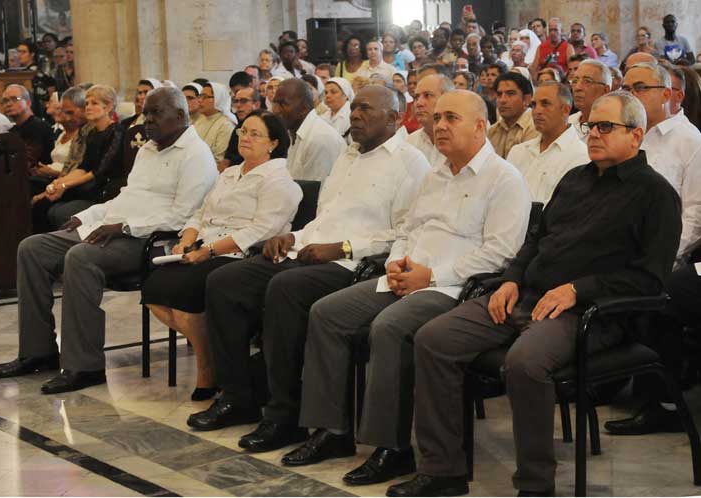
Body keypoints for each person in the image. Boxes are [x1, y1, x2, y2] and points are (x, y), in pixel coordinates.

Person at [389, 91, 682, 497]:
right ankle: (443, 472)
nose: (592, 134)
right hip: (526, 296)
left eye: (605, 127)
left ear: (636, 134)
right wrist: (511, 277)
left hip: (592, 313)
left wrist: (579, 289)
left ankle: (535, 486)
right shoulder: (576, 179)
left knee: (524, 362)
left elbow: (651, 279)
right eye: (589, 125)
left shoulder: (656, 195)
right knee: (434, 339)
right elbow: (535, 241)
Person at [292, 88, 530, 481]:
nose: (439, 126)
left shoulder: (504, 179)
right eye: (437, 118)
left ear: (479, 126)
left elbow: (500, 255)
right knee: (327, 313)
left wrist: (430, 275)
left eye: (451, 118)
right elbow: (407, 229)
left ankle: (392, 448)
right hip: (406, 275)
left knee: (389, 327)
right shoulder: (434, 175)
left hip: (454, 288)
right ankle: (332, 430)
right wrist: (396, 264)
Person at [193, 86, 429, 445]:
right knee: (225, 280)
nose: (356, 115)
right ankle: (238, 397)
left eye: (366, 109)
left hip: (354, 264)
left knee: (285, 289)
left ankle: (284, 414)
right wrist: (293, 237)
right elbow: (326, 218)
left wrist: (342, 247)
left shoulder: (411, 164)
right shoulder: (348, 156)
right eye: (355, 108)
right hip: (309, 250)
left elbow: (402, 233)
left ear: (394, 118)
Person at [0, 87, 218, 394]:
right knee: (32, 248)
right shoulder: (150, 149)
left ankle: (85, 366)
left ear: (180, 116)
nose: (147, 120)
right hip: (116, 228)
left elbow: (184, 217)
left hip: (152, 240)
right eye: (146, 113)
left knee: (81, 258)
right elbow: (127, 197)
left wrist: (123, 227)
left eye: (155, 114)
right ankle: (38, 351)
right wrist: (88, 216)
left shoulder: (196, 155)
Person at [141, 109, 301, 401]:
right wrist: (188, 239)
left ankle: (206, 370)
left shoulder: (279, 180)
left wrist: (209, 250)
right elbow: (201, 213)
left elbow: (261, 231)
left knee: (185, 297)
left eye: (255, 134)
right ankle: (211, 358)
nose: (246, 138)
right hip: (204, 246)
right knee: (155, 289)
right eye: (243, 131)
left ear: (274, 143)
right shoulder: (229, 172)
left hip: (239, 255)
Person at [621, 63, 701, 259]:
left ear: (666, 95)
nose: (630, 96)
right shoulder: (623, 132)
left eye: (640, 88)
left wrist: (661, 255)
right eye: (625, 89)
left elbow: (695, 212)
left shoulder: (690, 140)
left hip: (659, 256)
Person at [39, 85, 125, 228]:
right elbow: (83, 167)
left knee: (61, 213)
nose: (88, 107)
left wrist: (65, 185)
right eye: (86, 103)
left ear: (109, 107)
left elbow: (98, 171)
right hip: (90, 189)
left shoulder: (117, 133)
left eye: (94, 103)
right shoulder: (91, 134)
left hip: (106, 192)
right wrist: (58, 183)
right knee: (51, 209)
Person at [507, 81, 589, 203]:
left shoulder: (581, 156)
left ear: (565, 110)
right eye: (534, 105)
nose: (537, 111)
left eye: (545, 104)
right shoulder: (518, 151)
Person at [271, 78, 345, 182]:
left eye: (283, 104)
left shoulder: (320, 138)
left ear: (304, 108)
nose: (275, 110)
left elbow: (315, 194)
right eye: (274, 103)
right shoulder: (295, 132)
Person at [1, 84, 55, 173]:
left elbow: (30, 162)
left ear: (28, 102)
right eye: (5, 101)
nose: (8, 104)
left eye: (14, 99)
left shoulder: (39, 127)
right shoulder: (12, 131)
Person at [487, 72, 538, 158]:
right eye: (499, 94)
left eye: (510, 94)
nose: (502, 100)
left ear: (527, 99)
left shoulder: (535, 127)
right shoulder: (492, 131)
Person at [407, 74, 453, 166]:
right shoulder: (409, 142)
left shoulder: (463, 142)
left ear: (447, 98)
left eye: (427, 95)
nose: (419, 103)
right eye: (416, 97)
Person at [193, 81, 236, 164]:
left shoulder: (226, 125)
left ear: (218, 99)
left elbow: (219, 159)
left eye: (205, 97)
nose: (200, 100)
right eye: (200, 96)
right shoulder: (200, 120)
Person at [568, 59, 613, 141]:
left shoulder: (613, 129)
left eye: (587, 81)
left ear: (605, 91)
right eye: (575, 81)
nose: (577, 88)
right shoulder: (567, 123)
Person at [220, 87, 261, 170]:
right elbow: (228, 156)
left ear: (256, 105)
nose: (238, 105)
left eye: (243, 101)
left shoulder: (263, 127)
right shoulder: (239, 125)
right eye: (236, 101)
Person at [16, 40, 56, 118]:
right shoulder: (22, 72)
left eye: (23, 52)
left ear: (32, 54)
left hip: (37, 112)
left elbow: (44, 97)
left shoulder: (36, 74)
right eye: (18, 52)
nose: (19, 55)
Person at [319, 76, 353, 141]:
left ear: (345, 95)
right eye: (326, 92)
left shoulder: (351, 117)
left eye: (333, 92)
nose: (328, 96)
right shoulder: (323, 115)